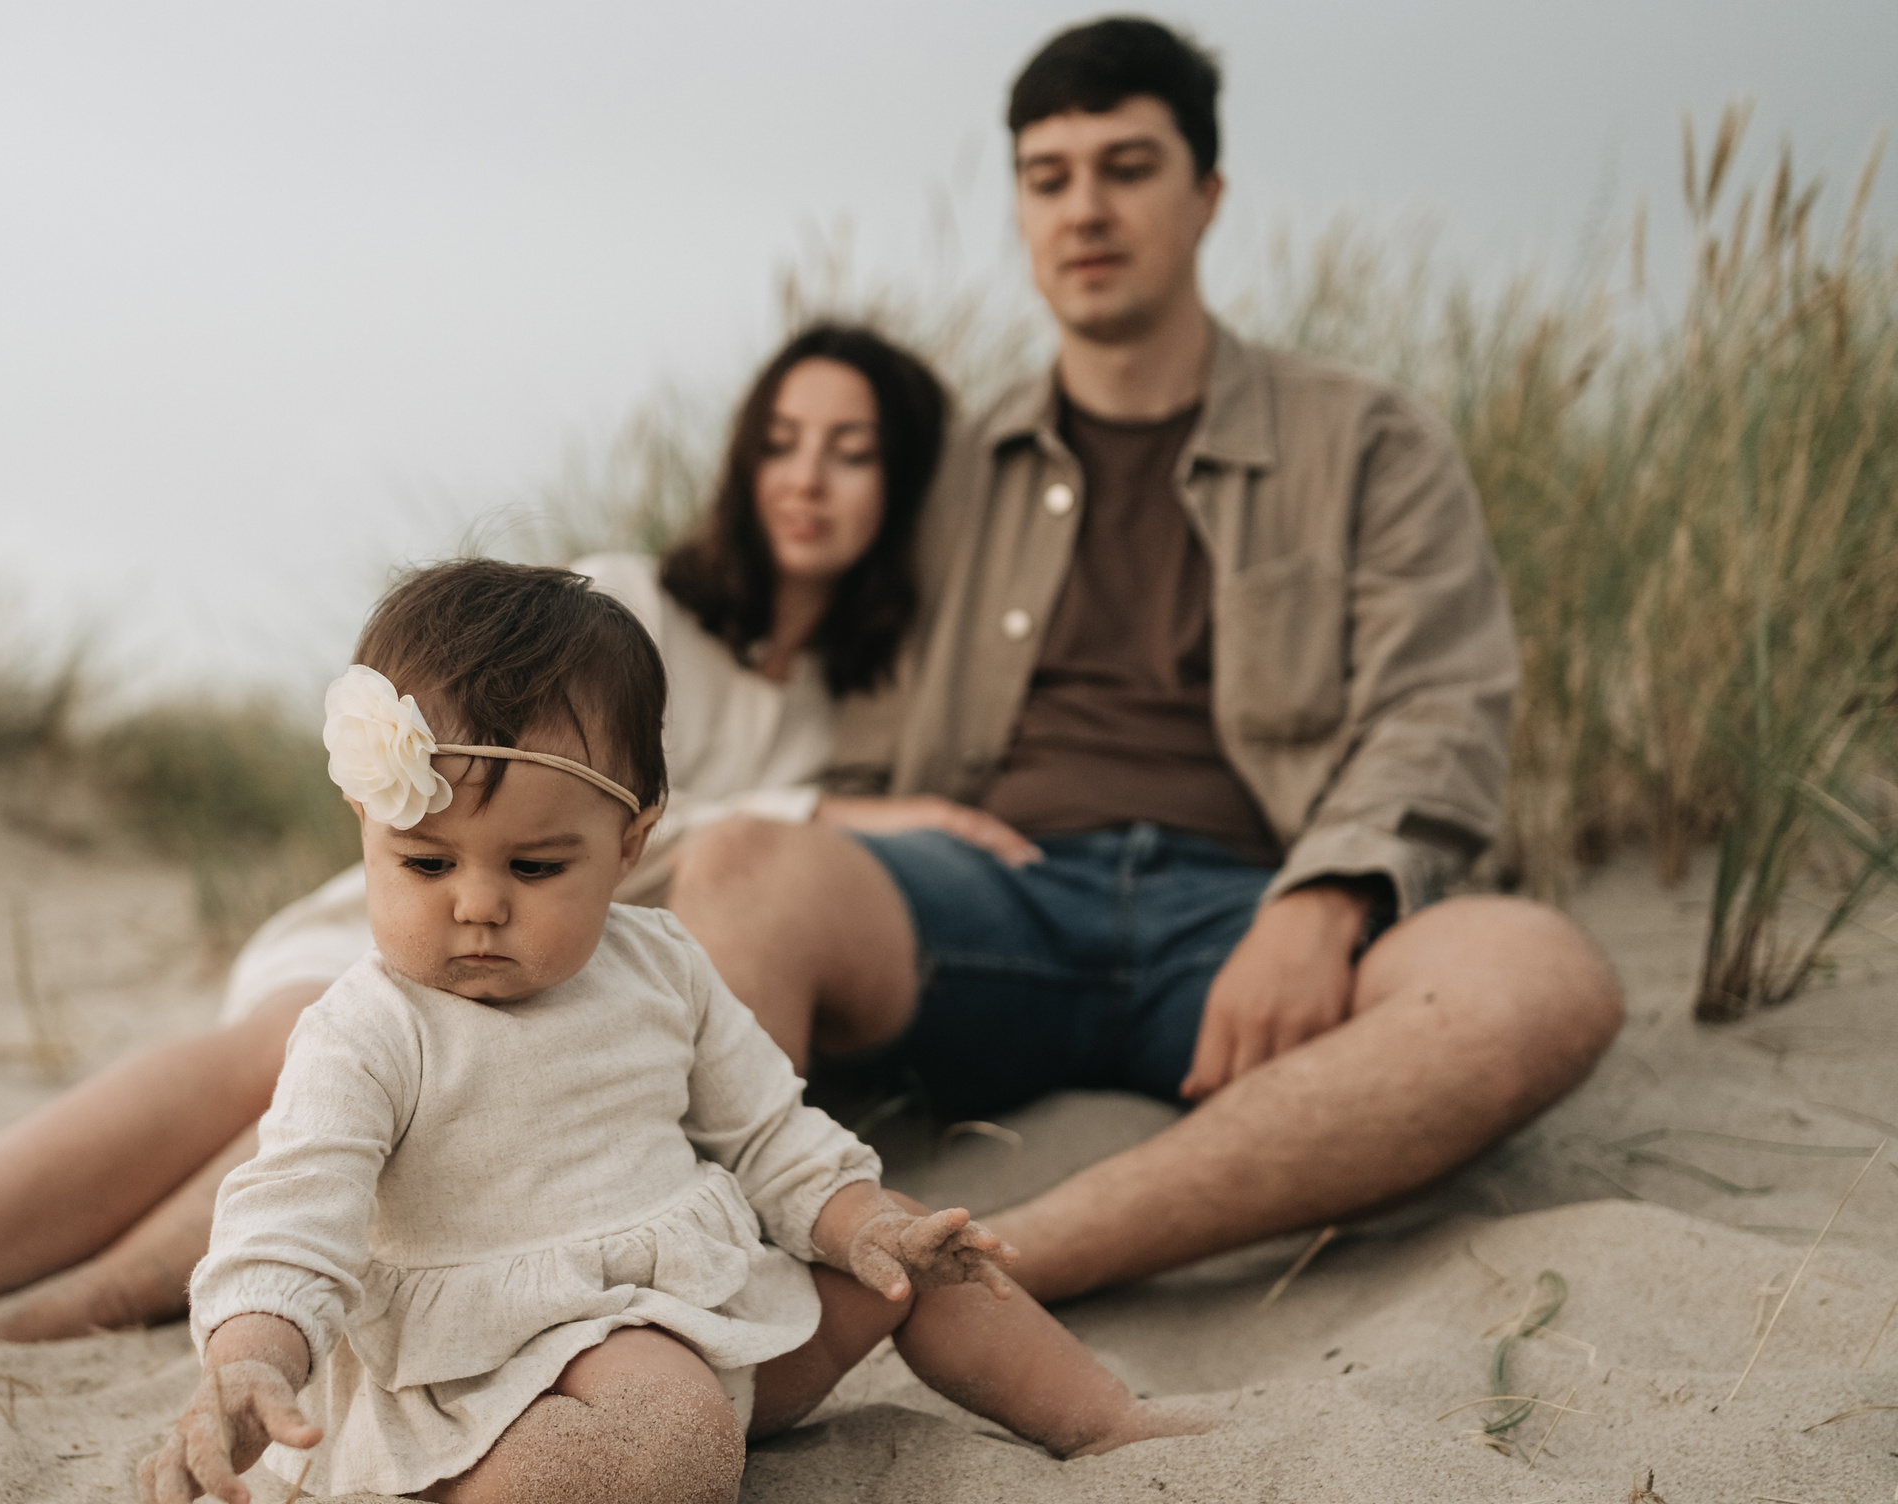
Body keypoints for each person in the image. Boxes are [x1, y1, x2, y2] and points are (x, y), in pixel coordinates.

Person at [0, 325, 996, 1403]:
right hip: (419, 905)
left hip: (568, 979)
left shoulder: (868, 706)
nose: (808, 476)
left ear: (907, 480)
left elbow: (688, 850)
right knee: (299, 1048)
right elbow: (607, 795)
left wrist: (847, 799)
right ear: (745, 459)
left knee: (379, 1106)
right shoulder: (626, 604)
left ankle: (73, 1298)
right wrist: (846, 809)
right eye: (784, 439)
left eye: (855, 448)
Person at [664, 16, 1627, 1306]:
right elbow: (806, 658)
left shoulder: (1366, 438)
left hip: (1241, 915)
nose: (1086, 210)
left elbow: (1439, 705)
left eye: (1126, 167)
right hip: (991, 895)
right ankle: (702, 1294)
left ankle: (1014, 1266)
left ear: (1207, 193)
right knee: (742, 870)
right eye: (1048, 178)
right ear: (1017, 206)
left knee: (1536, 980)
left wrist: (1324, 903)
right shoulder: (947, 475)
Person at [136, 560, 1191, 1504]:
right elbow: (291, 1219)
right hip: (508, 1358)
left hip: (694, 1297)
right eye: (423, 860)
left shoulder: (659, 963)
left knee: (922, 1248)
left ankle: (1103, 1420)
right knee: (673, 1458)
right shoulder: (368, 1027)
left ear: (629, 846)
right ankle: (434, 1467)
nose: (476, 903)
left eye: (537, 866)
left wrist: (856, 1221)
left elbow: (767, 1132)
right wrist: (250, 1362)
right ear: (364, 828)